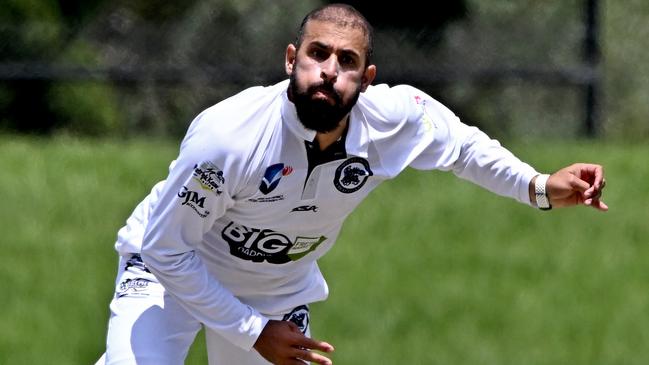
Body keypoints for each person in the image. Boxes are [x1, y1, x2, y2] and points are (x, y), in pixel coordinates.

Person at [96, 3, 608, 365]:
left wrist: (539, 186)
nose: (328, 71)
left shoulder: (394, 117)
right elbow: (166, 249)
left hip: (274, 289)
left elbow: (463, 146)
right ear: (291, 59)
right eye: (318, 54)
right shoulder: (228, 137)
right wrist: (252, 333)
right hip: (170, 271)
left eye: (347, 61)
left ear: (367, 79)